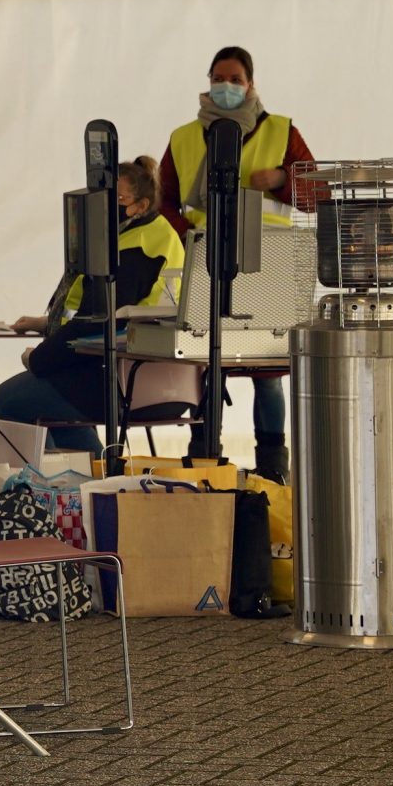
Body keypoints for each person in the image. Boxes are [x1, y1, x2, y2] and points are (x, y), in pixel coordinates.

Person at [159, 45, 315, 481]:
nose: (225, 87)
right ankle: (205, 459)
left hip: (269, 266)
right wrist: (186, 233)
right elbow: (164, 199)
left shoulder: (282, 131)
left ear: (251, 84)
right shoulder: (184, 136)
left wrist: (285, 180)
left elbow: (317, 193)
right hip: (208, 259)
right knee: (208, 364)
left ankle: (272, 468)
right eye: (218, 79)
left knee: (267, 372)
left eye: (235, 80)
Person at [0, 157, 186, 454]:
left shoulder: (137, 248)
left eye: (117, 198)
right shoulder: (153, 233)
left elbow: (97, 318)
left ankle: (47, 484)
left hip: (127, 376)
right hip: (156, 374)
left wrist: (40, 359)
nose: (106, 205)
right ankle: (85, 475)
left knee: (9, 398)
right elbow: (112, 308)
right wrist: (46, 324)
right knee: (54, 398)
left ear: (141, 206)